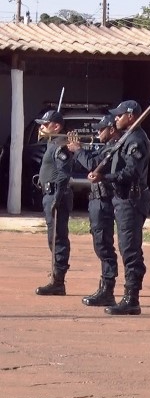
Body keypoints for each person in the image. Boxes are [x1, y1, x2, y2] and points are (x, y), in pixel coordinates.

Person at [98, 100, 150, 316]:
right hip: (122, 198)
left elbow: (131, 172)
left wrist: (105, 177)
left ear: (131, 116)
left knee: (130, 248)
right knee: (125, 246)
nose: (116, 119)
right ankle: (127, 295)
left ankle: (132, 298)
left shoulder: (136, 140)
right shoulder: (126, 138)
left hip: (131, 198)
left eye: (119, 116)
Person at [69, 114, 121, 306]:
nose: (98, 132)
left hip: (104, 200)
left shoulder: (115, 146)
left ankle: (108, 290)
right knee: (100, 244)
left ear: (112, 129)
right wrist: (74, 152)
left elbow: (94, 164)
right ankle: (104, 287)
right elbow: (87, 162)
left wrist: (79, 149)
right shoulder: (106, 146)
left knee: (104, 245)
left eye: (102, 129)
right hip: (96, 200)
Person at [34, 110, 74, 296]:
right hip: (48, 193)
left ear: (56, 126)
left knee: (58, 237)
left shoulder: (60, 144)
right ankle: (56, 277)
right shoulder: (52, 142)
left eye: (45, 124)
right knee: (53, 237)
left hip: (56, 194)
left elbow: (63, 174)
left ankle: (58, 281)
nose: (41, 127)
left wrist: (57, 198)